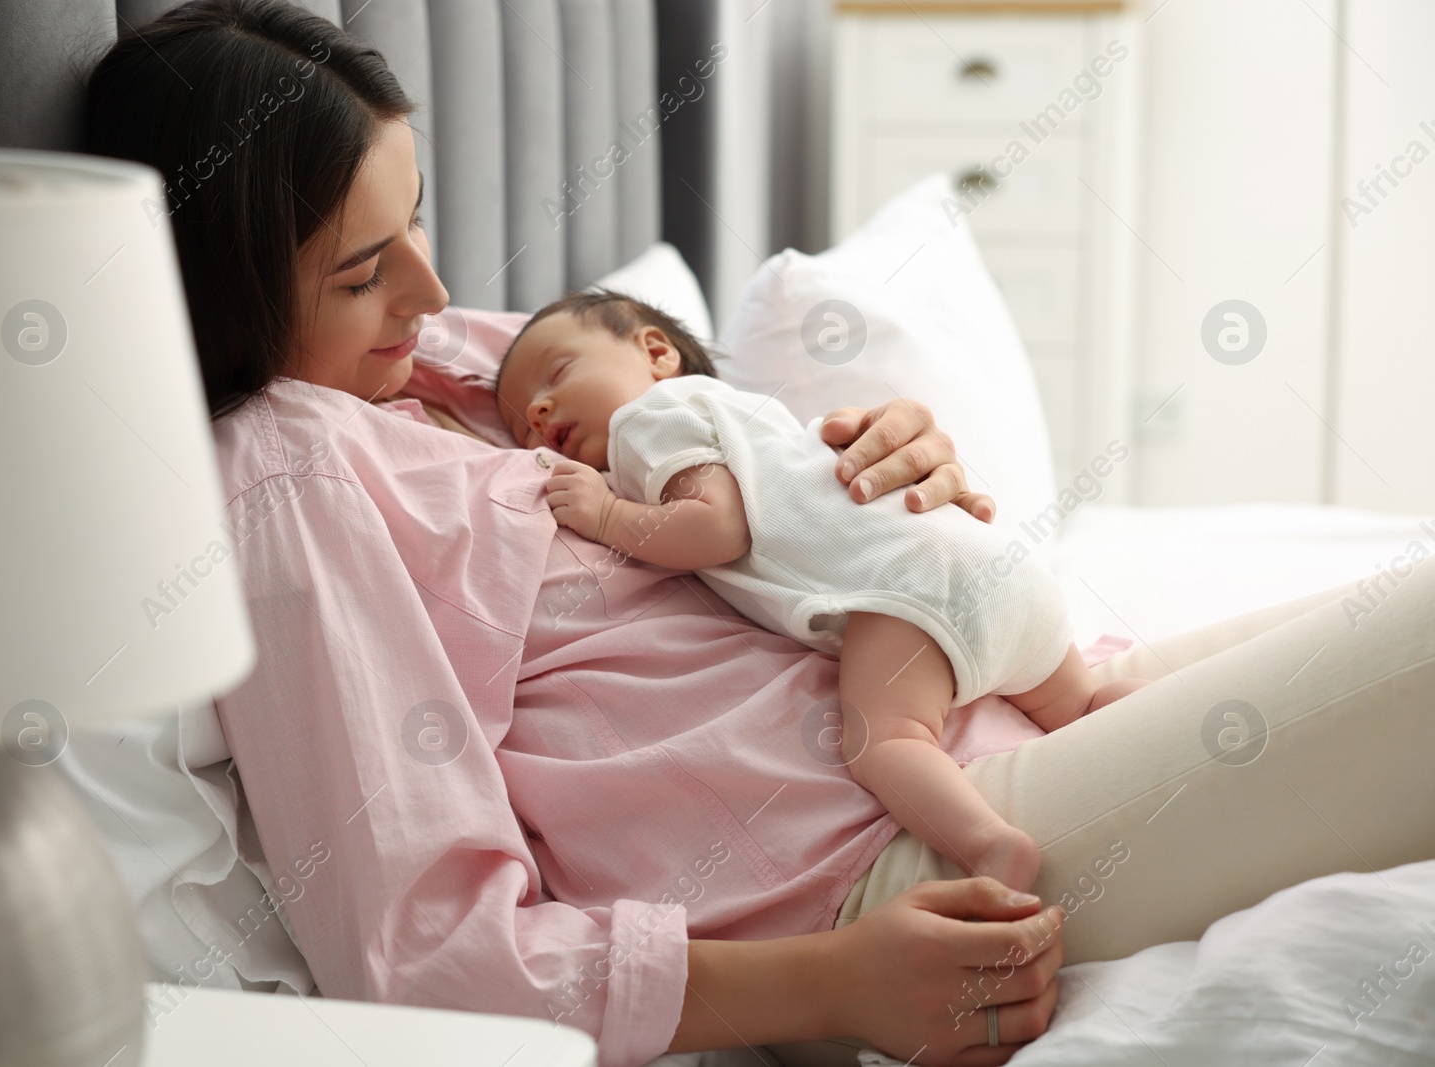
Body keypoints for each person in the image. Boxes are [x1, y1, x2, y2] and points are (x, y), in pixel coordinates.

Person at [85, 3, 1435, 1066]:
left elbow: (745, 482)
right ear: (228, 294)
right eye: (364, 269)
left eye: (418, 213)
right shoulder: (290, 476)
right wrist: (836, 980)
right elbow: (421, 946)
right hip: (875, 875)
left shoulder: (458, 363)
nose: (434, 293)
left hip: (1008, 701)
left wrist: (880, 458)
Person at [493, 291, 1149, 894]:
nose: (539, 410)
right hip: (999, 567)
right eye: (522, 422)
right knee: (1084, 701)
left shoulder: (649, 420)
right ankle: (1164, 719)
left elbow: (716, 526)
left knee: (884, 743)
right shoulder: (756, 417)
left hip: (909, 594)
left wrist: (607, 515)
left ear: (655, 352)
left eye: (556, 375)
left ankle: (991, 847)